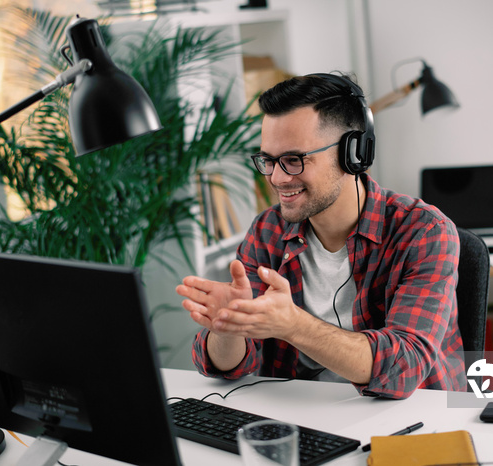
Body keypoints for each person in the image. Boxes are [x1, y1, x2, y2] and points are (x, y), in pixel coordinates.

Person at [176, 72, 465, 399]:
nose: (278, 178)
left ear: (353, 154)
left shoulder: (423, 232)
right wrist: (228, 327)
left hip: (412, 423)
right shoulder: (268, 230)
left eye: (293, 160)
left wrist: (293, 325)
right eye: (269, 161)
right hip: (306, 417)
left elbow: (404, 366)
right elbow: (233, 366)